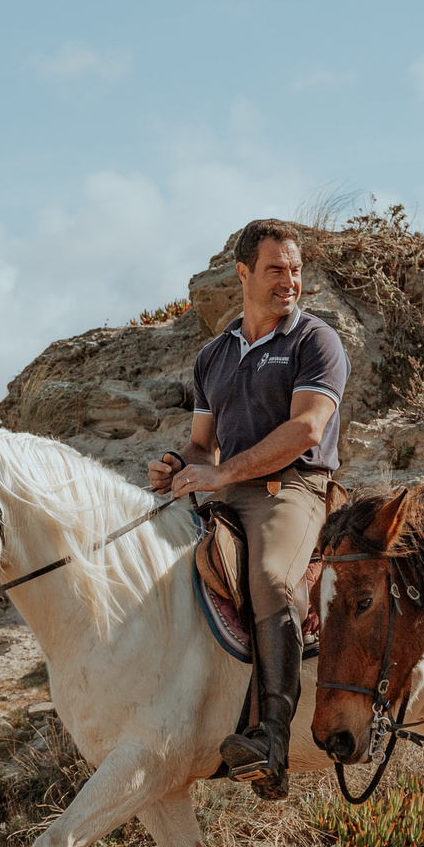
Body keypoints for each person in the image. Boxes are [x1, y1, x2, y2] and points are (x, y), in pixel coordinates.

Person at [147, 218, 349, 797]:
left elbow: (307, 430)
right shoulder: (213, 356)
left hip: (293, 490)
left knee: (268, 577)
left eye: (296, 270)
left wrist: (221, 473)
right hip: (227, 493)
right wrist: (177, 465)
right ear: (243, 273)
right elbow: (201, 444)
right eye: (276, 270)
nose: (290, 281)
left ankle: (272, 740)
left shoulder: (315, 341)